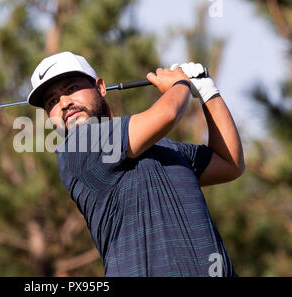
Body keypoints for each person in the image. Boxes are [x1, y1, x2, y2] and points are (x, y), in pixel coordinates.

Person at [27, 51, 245, 277]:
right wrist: (180, 83)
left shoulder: (166, 148)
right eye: (52, 101)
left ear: (101, 88)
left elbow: (229, 163)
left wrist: (208, 91)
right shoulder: (76, 148)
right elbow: (168, 113)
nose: (64, 103)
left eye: (71, 89)